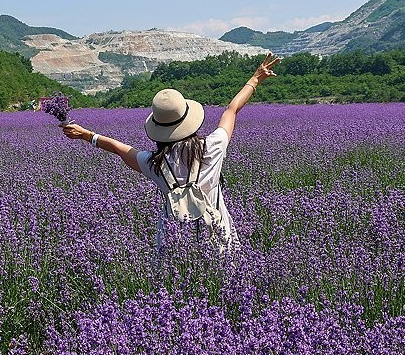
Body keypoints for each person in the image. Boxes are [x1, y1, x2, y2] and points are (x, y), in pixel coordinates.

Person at [61, 53, 281, 253]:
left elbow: (119, 149)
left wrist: (86, 135)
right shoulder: (213, 147)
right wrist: (255, 79)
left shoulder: (154, 163)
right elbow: (231, 110)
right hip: (217, 238)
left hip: (174, 244)